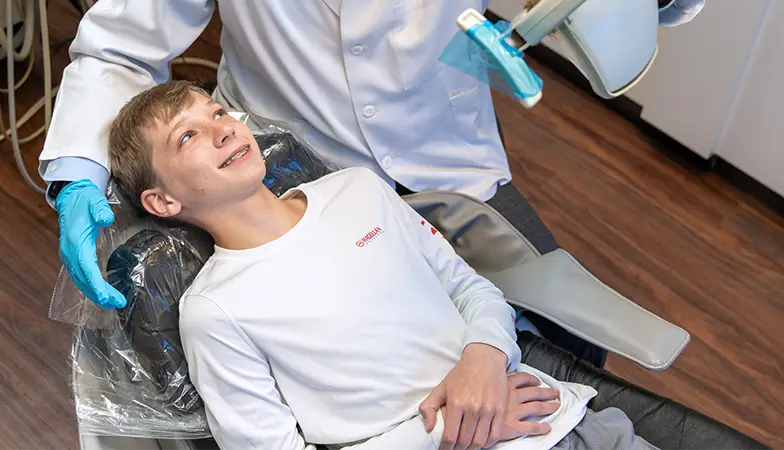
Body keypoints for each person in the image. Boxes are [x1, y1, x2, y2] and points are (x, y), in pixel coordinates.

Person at [41, 0, 607, 368]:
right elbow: (120, 45)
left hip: (443, 149)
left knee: (571, 340)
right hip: (288, 162)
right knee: (342, 356)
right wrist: (78, 175)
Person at [105, 79, 657, 450]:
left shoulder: (358, 191)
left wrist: (486, 359)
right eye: (188, 136)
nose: (223, 128)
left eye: (218, 111)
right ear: (162, 202)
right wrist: (450, 428)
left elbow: (473, 290)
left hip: (565, 421)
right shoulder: (215, 310)